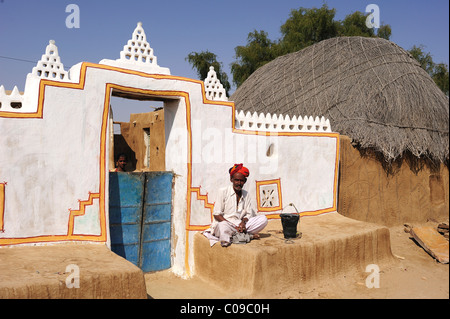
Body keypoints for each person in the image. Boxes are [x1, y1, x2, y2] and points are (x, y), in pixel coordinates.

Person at [203, 163, 268, 247]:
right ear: (231, 179)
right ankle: (245, 236)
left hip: (239, 225)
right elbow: (217, 214)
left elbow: (248, 214)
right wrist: (233, 225)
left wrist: (243, 223)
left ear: (245, 181)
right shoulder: (223, 191)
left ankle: (238, 235)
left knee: (263, 219)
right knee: (222, 226)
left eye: (241, 181)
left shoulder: (246, 194)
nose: (239, 183)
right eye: (236, 180)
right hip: (226, 224)